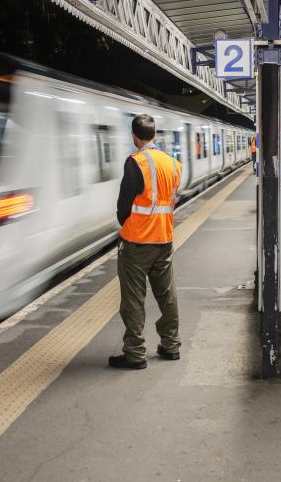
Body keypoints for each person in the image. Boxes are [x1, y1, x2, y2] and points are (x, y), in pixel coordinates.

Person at [109, 114, 182, 370]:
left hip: (137, 243)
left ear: (134, 136)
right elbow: (173, 200)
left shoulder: (135, 163)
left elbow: (123, 206)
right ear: (154, 135)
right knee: (167, 296)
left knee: (133, 299)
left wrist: (128, 223)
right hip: (164, 239)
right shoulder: (173, 164)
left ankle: (135, 353)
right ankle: (171, 345)